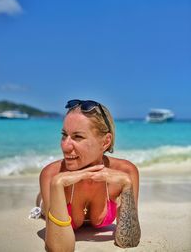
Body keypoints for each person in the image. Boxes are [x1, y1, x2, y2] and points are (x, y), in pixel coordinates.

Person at [38, 99, 141, 252]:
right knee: (41, 202)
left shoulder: (125, 173)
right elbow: (60, 249)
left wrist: (127, 184)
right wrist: (57, 184)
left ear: (105, 142)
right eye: (64, 135)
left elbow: (129, 241)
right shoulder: (52, 174)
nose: (65, 146)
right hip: (44, 203)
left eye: (78, 137)